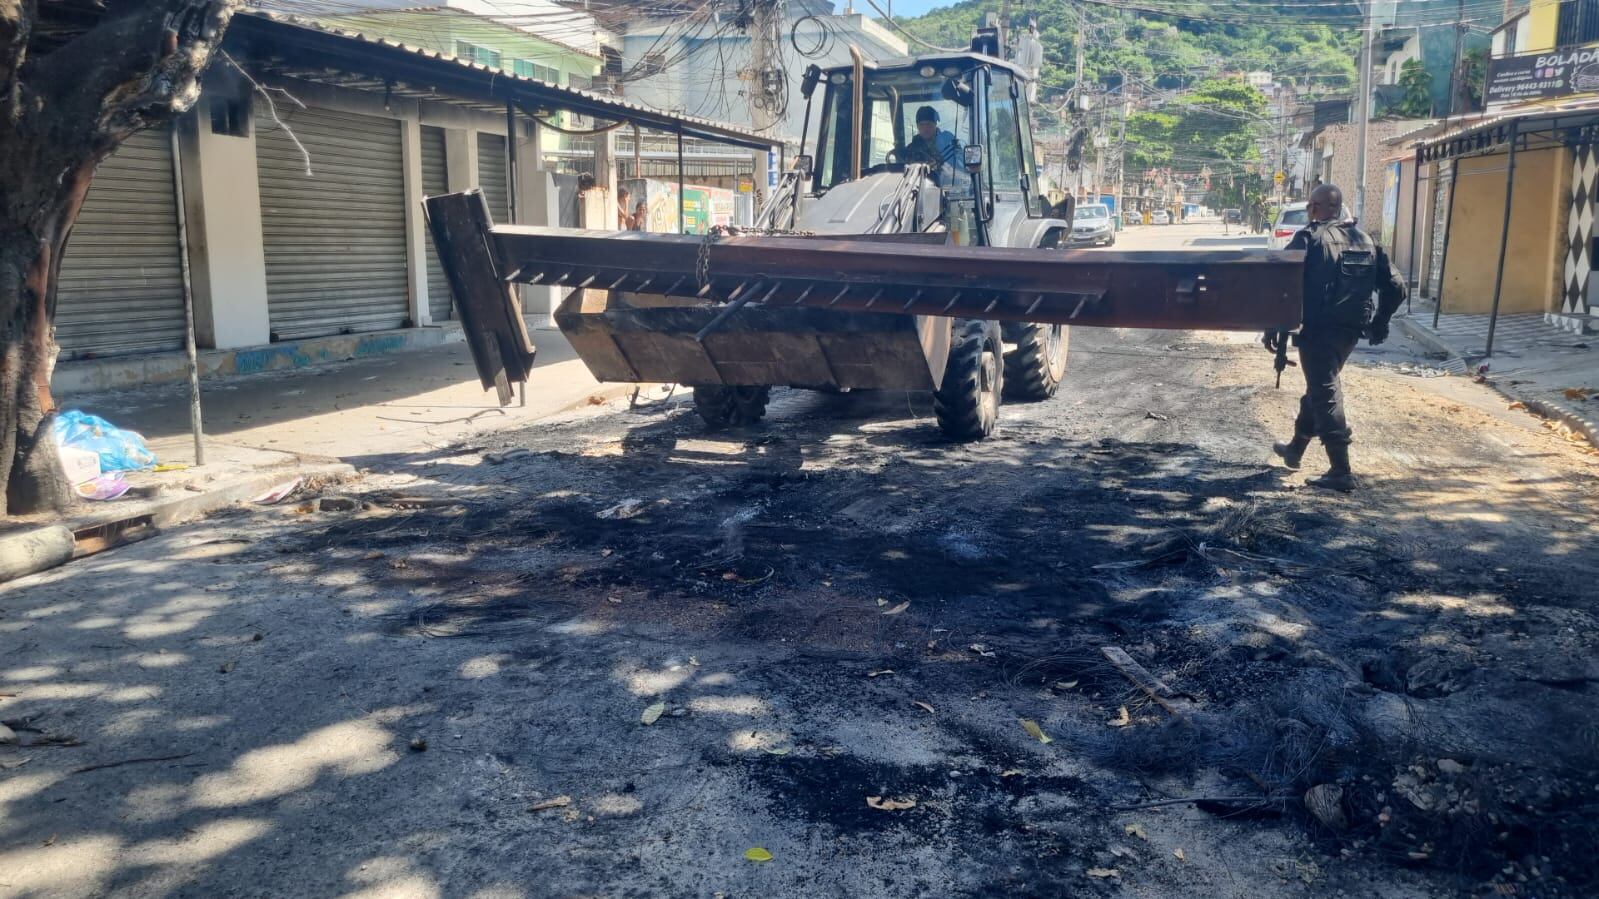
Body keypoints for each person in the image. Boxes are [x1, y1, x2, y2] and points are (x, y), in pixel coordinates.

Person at [1264, 183, 1406, 492]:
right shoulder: (1366, 240)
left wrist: (1274, 326)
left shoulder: (1308, 239)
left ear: (1313, 209)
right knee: (1320, 385)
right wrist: (1380, 321)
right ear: (1339, 208)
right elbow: (1396, 287)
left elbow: (1283, 286)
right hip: (1351, 331)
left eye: (1309, 208)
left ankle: (1340, 470)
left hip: (1318, 330)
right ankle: (1296, 449)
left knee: (1325, 391)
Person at [899, 105, 959, 171]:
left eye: (928, 124)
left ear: (935, 124)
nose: (925, 129)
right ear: (917, 126)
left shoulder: (948, 140)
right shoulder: (911, 149)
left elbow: (960, 162)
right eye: (921, 125)